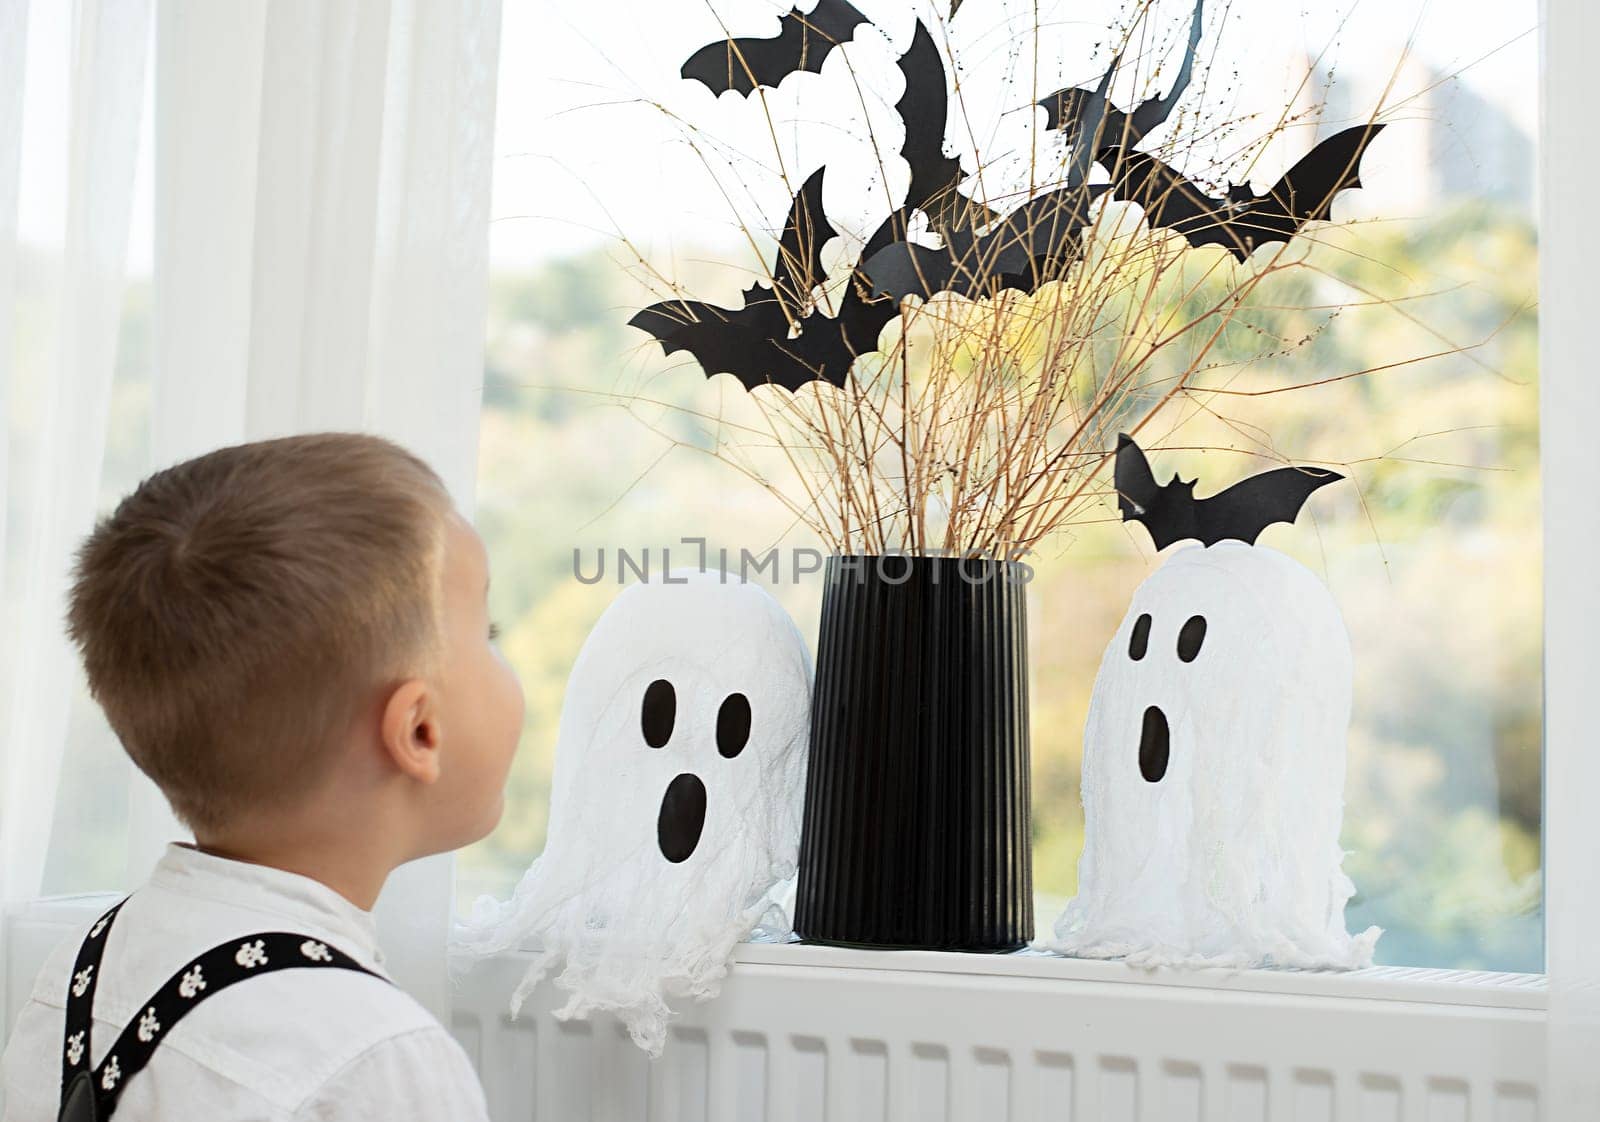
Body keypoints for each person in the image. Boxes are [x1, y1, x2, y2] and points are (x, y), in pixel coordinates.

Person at [0, 432, 524, 1120]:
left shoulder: (85, 968)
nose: (500, 654)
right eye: (489, 633)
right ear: (418, 730)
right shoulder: (377, 1058)